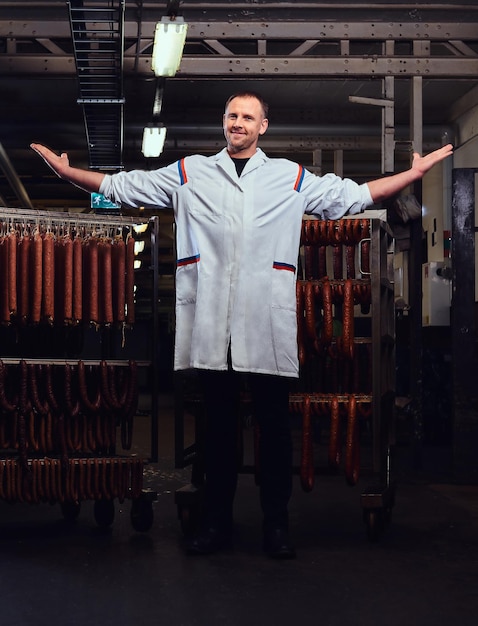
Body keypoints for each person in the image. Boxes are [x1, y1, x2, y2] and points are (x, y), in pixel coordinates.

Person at [31, 91, 453, 559]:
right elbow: (126, 187)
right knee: (217, 434)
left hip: (264, 322)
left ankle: (277, 527)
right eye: (232, 115)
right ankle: (216, 526)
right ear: (224, 122)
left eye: (248, 117)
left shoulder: (289, 177)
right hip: (213, 322)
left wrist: (412, 174)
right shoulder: (191, 171)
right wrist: (70, 174)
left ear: (263, 127)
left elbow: (352, 196)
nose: (238, 123)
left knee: (272, 434)